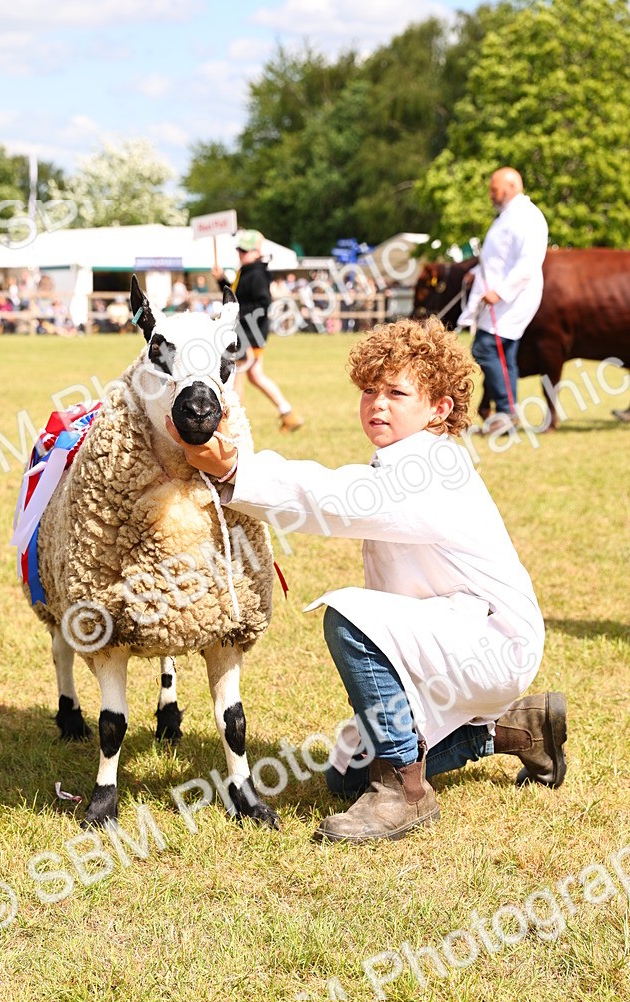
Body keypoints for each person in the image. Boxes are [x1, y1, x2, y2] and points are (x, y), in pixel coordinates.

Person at [166, 317, 567, 844]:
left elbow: (337, 499)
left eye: (397, 393)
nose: (378, 404)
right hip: (448, 638)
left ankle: (404, 791)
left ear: (439, 408)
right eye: (370, 391)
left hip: (489, 642)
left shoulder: (432, 468)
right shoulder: (401, 459)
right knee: (346, 776)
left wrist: (236, 468)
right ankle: (517, 728)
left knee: (348, 618)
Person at [458, 167, 548, 435]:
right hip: (500, 300)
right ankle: (506, 414)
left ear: (510, 187)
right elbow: (498, 259)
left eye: (494, 189)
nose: (491, 195)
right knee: (504, 355)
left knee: (484, 349)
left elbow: (528, 262)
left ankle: (506, 411)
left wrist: (501, 291)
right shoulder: (508, 216)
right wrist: (476, 273)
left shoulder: (527, 217)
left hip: (512, 300)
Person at [213, 229, 305, 433]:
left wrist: (236, 314)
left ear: (257, 252)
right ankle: (287, 413)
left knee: (236, 376)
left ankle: (232, 423)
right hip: (247, 333)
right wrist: (221, 281)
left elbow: (262, 304)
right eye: (240, 250)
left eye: (245, 250)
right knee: (255, 376)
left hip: (248, 334)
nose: (241, 253)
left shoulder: (256, 274)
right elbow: (236, 297)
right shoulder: (247, 271)